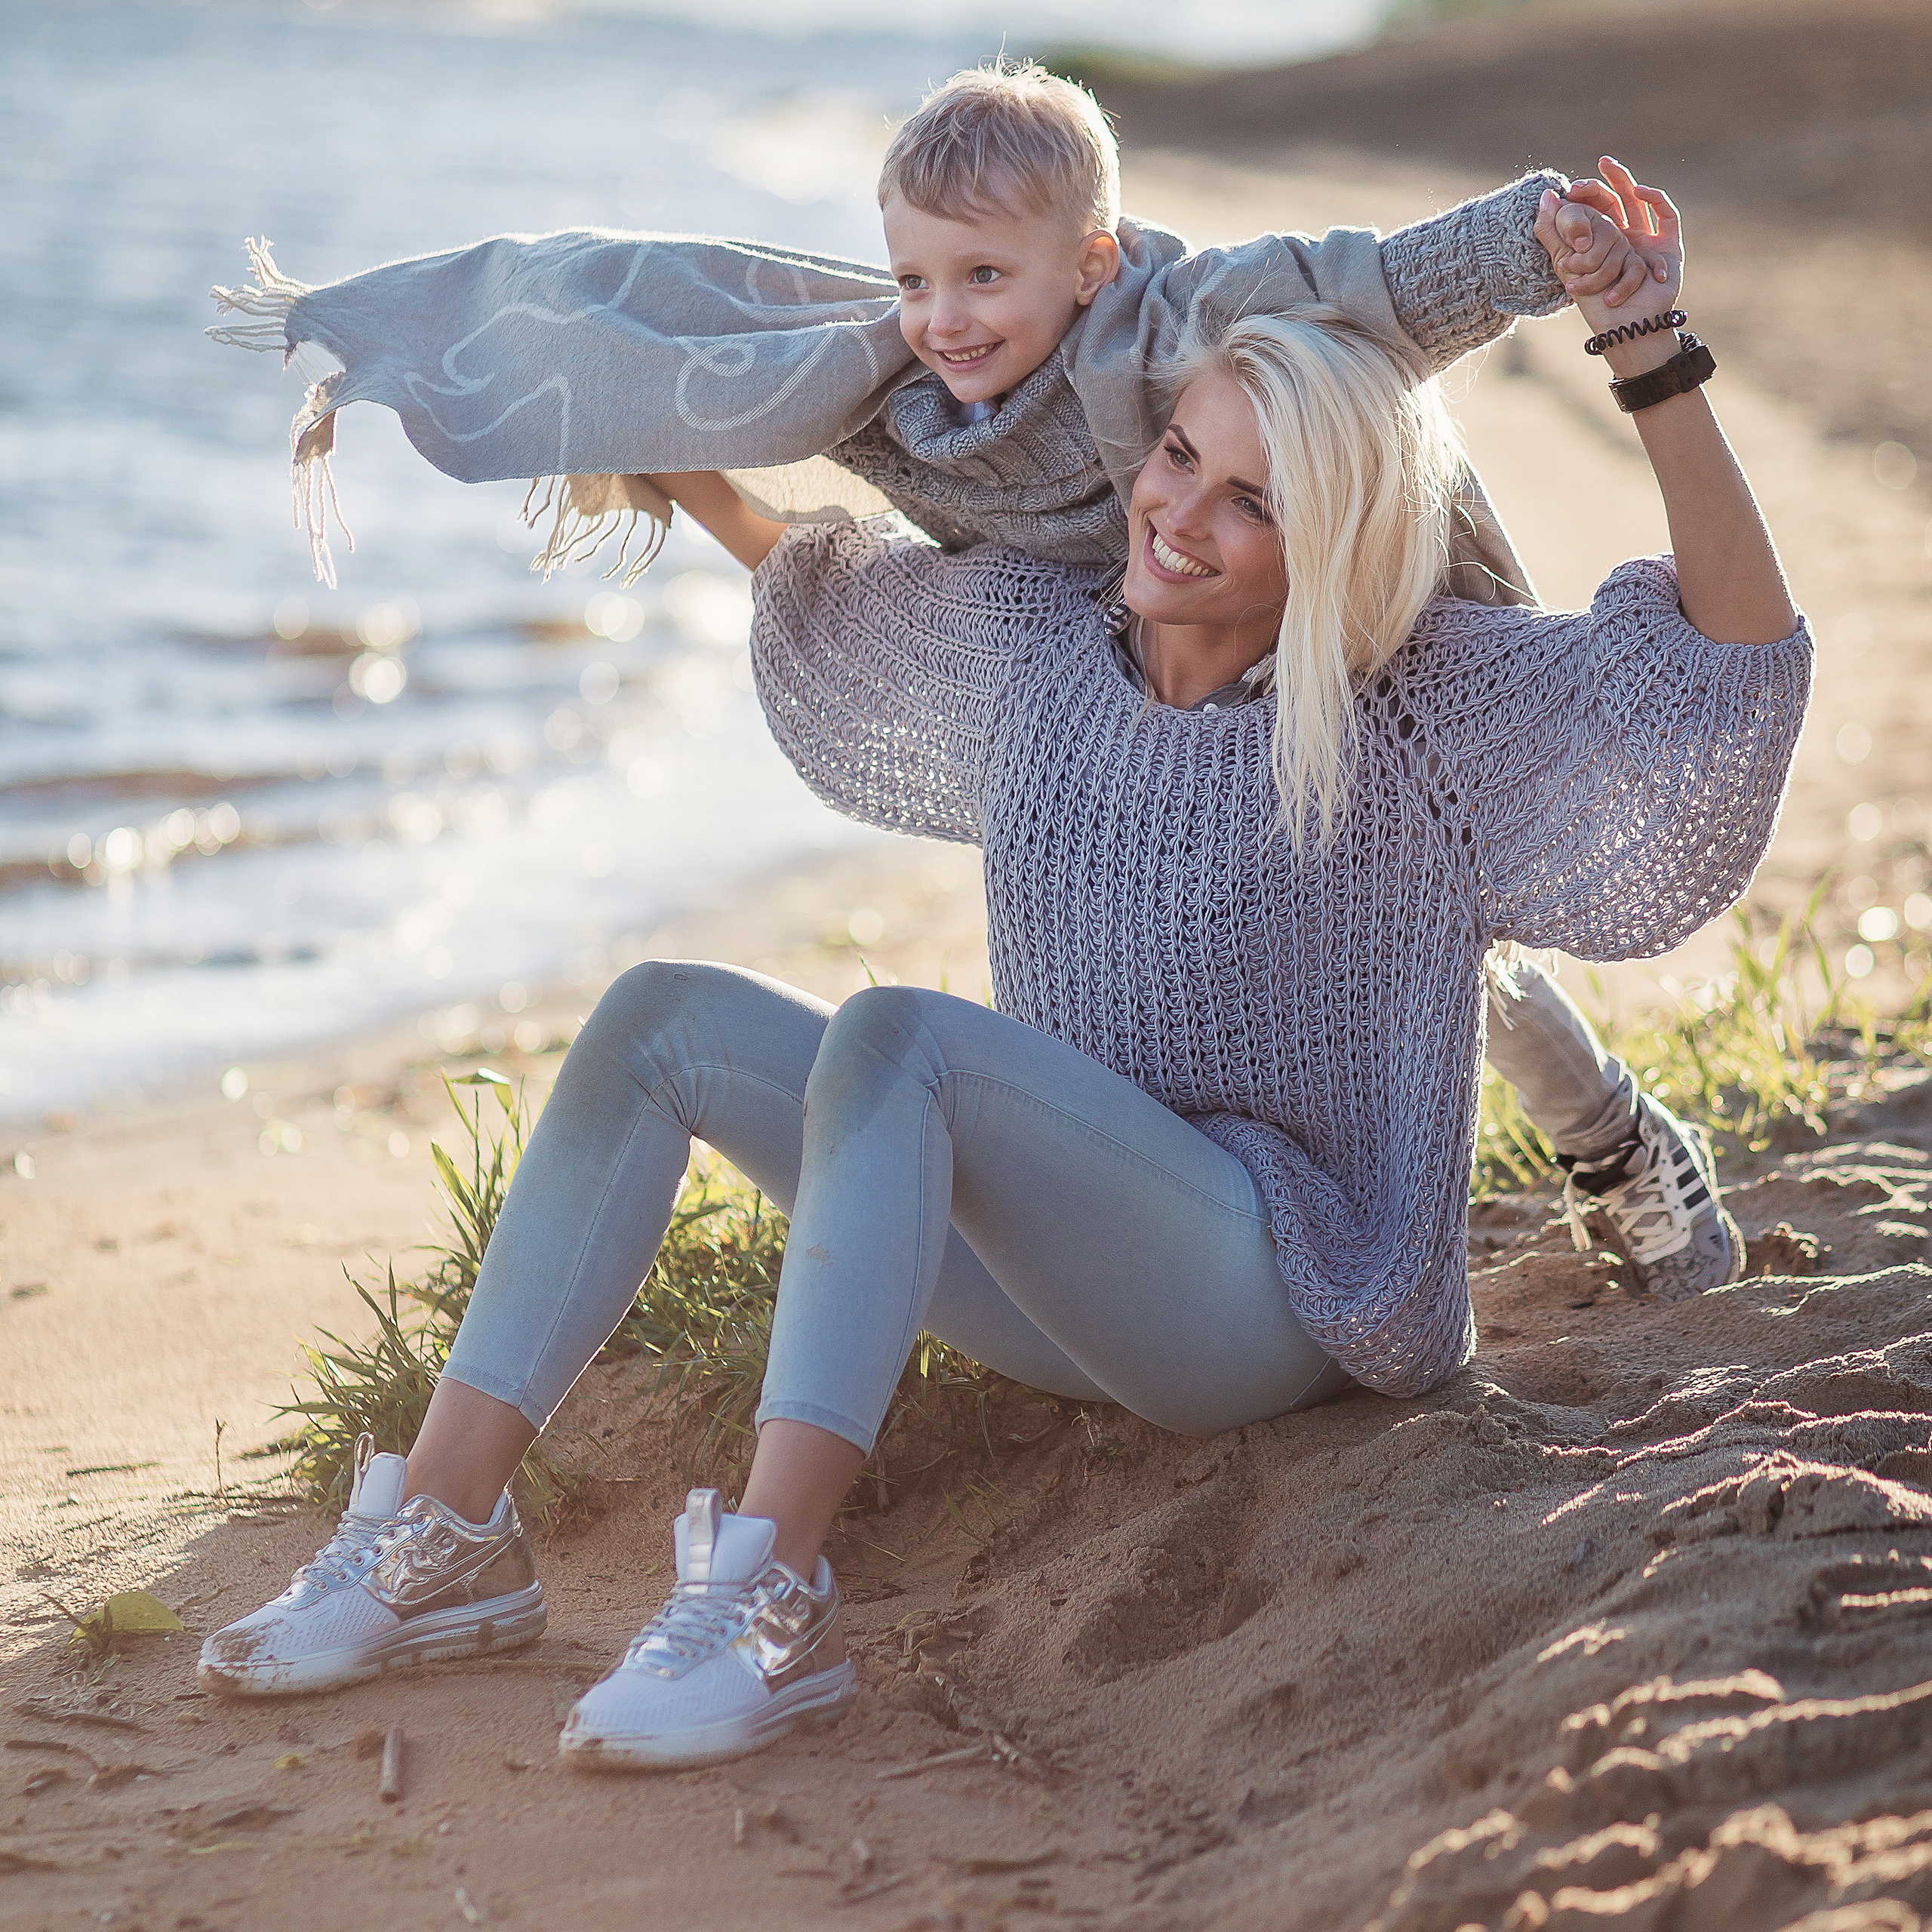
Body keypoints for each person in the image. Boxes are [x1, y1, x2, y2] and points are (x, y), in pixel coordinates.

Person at [200, 164, 1809, 1777]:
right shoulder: (1041, 640)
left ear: (1329, 538)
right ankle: (445, 1531)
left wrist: (1644, 347)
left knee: (903, 1038)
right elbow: (809, 580)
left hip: (1290, 1294)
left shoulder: (1412, 700)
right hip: (1066, 1284)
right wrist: (672, 461)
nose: (1177, 510)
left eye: (1251, 500)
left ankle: (770, 1592)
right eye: (1177, 454)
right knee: (654, 1023)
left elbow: (1724, 667)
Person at [212, 63, 1737, 1297]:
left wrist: (1551, 240)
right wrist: (666, 460)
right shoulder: (918, 394)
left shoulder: (1186, 320)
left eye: (984, 276)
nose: (942, 317)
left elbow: (1386, 286)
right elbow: (702, 335)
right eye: (913, 274)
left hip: (1354, 611)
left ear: (1088, 263)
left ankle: (1604, 1137)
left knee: (1416, 926)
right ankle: (1177, 1192)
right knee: (1252, 924)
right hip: (1155, 650)